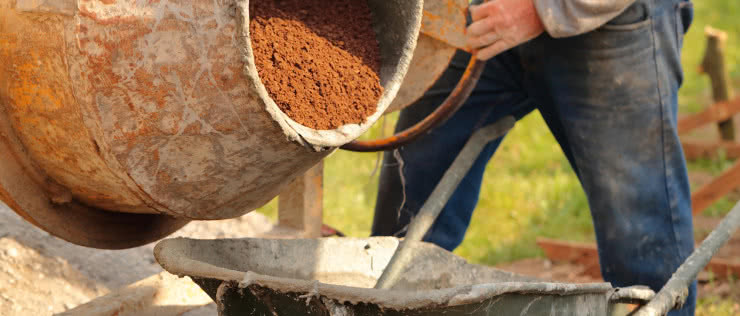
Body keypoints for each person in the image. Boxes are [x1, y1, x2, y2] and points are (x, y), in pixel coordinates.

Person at [371, 0, 696, 315]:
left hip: (607, 23)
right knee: (407, 213)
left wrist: (544, 8)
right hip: (484, 16)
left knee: (641, 237)